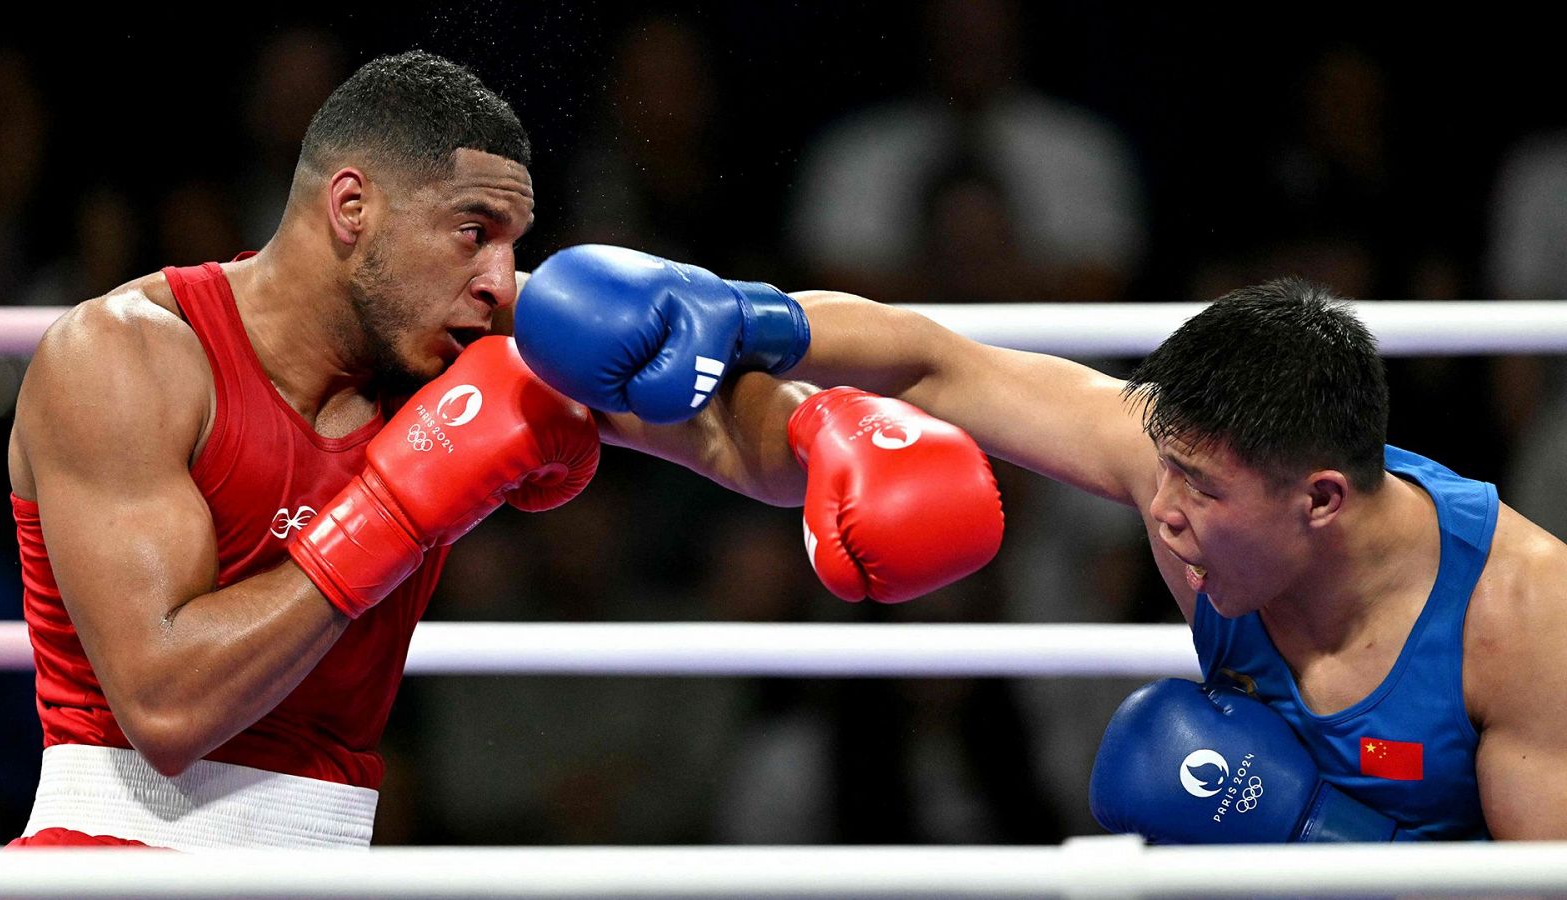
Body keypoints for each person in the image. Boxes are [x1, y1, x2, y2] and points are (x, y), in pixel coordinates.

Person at [3, 52, 1005, 850]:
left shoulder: (463, 345)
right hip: (112, 856)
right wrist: (399, 505)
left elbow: (707, 424)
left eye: (512, 242)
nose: (500, 279)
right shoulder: (126, 358)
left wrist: (823, 431)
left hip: (323, 860)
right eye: (472, 231)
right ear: (350, 210)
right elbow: (167, 710)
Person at [512, 246, 1567, 841]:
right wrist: (743, 315)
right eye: (1164, 473)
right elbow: (934, 364)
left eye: (1200, 492)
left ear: (1321, 501)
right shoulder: (1176, 473)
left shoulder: (1522, 618)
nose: (1161, 515)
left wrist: (1319, 847)